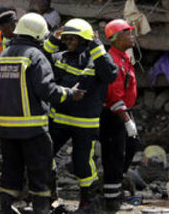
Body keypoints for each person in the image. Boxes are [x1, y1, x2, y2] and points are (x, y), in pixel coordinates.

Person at [0, 14, 83, 214]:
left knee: (10, 171)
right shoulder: (35, 56)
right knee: (39, 173)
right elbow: (47, 90)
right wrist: (70, 94)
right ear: (38, 34)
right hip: (33, 130)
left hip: (7, 129)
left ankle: (5, 208)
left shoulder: (4, 55)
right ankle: (41, 209)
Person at [46, 19, 118, 213]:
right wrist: (53, 39)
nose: (68, 42)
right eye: (65, 38)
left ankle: (88, 203)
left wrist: (97, 46)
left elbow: (111, 75)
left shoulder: (96, 59)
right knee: (44, 155)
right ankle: (49, 197)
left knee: (82, 163)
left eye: (72, 39)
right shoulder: (59, 57)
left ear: (85, 40)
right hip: (58, 119)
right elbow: (40, 62)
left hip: (85, 123)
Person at [101, 19, 140, 212]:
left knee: (130, 146)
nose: (132, 36)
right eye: (127, 33)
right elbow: (114, 95)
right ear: (116, 38)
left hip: (123, 111)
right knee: (114, 156)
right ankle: (112, 201)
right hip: (113, 114)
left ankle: (116, 184)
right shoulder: (113, 61)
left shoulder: (123, 57)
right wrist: (126, 120)